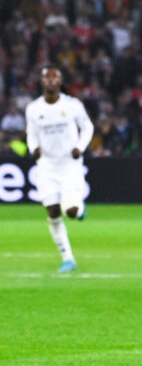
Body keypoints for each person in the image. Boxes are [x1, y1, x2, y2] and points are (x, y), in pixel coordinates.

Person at [25, 67, 94, 272]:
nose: (51, 80)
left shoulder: (72, 105)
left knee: (70, 212)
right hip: (46, 166)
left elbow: (88, 127)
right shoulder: (33, 109)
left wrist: (79, 148)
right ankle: (68, 258)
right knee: (53, 211)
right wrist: (33, 148)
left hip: (69, 166)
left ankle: (80, 210)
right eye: (47, 77)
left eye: (55, 77)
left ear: (60, 81)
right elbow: (31, 134)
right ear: (42, 81)